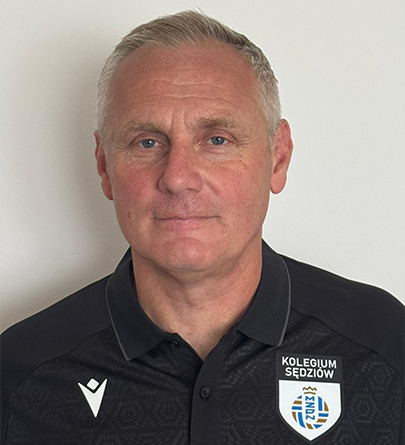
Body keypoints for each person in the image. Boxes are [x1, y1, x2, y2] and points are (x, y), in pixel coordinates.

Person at [1, 10, 404, 445]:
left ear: (278, 157)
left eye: (216, 140)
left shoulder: (383, 345)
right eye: (147, 142)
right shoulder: (21, 374)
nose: (178, 177)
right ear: (104, 165)